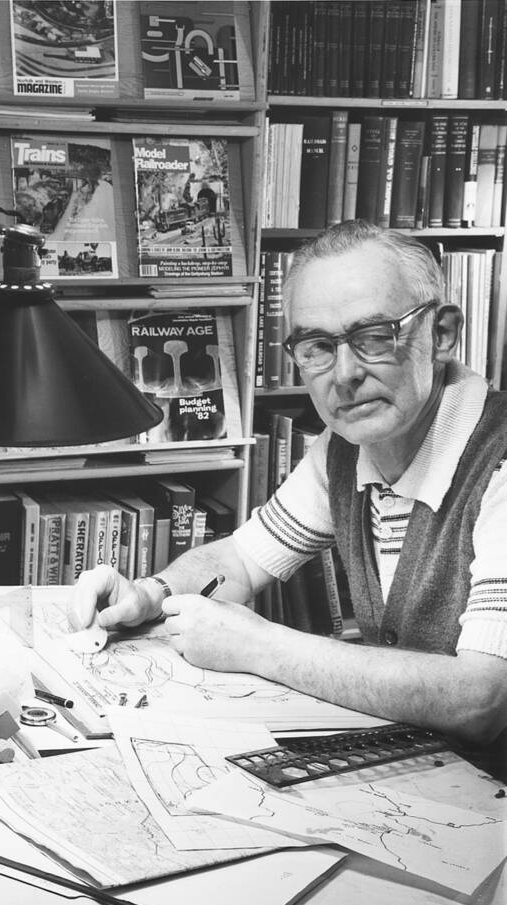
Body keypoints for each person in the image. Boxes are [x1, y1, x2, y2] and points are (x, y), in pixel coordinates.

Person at [69, 220, 507, 750]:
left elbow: (484, 698)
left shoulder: (498, 460)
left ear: (441, 333)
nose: (344, 374)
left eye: (374, 337)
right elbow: (238, 561)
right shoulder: (343, 449)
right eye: (318, 346)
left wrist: (263, 647)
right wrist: (149, 594)